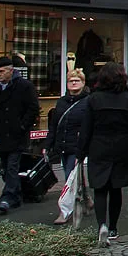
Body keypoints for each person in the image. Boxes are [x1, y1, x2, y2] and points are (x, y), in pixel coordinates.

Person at [79, 62, 128, 247]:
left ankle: (102, 225)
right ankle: (114, 227)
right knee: (116, 189)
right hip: (121, 147)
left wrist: (80, 152)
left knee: (100, 189)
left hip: (98, 146)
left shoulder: (94, 99)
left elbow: (86, 128)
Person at [0, 56, 40, 214]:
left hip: (17, 134)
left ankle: (8, 197)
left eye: (2, 71)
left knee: (12, 166)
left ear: (11, 71)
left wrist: (22, 125)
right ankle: (16, 195)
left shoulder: (24, 86)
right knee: (5, 167)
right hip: (1, 134)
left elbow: (33, 108)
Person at [45, 68, 91, 225]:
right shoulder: (61, 102)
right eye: (71, 81)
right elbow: (54, 125)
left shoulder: (88, 102)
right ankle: (86, 198)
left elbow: (89, 124)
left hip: (77, 146)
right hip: (62, 144)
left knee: (69, 177)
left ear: (83, 83)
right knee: (74, 175)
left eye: (76, 80)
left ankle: (65, 211)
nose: (73, 83)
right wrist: (48, 144)